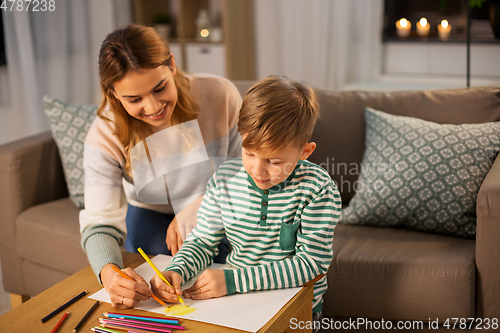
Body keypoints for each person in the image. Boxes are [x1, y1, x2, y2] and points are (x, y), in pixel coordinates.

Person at [151, 76, 342, 321]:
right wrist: (177, 269)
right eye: (249, 153)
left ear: (305, 151)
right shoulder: (224, 181)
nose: (257, 170)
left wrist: (233, 281)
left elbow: (311, 265)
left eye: (274, 161)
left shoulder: (318, 189)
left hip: (295, 308)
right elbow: (203, 241)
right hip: (239, 304)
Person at [79, 24, 242, 309]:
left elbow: (249, 173)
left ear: (172, 65)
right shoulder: (104, 133)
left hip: (218, 203)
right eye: (134, 99)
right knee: (159, 287)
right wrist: (108, 274)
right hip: (149, 213)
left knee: (221, 269)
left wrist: (202, 204)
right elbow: (99, 221)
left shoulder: (221, 96)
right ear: (113, 93)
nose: (153, 106)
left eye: (159, 87)